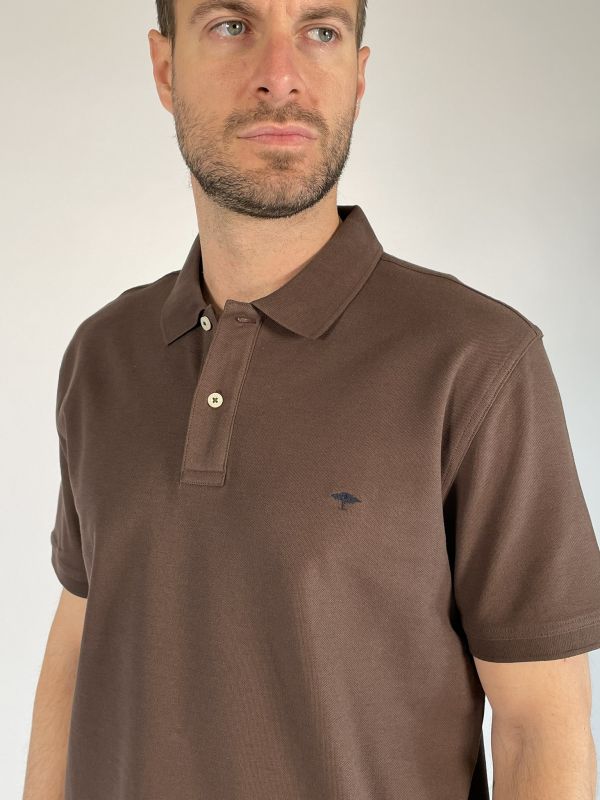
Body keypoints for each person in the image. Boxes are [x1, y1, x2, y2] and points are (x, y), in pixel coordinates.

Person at [23, 1, 600, 798]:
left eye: (320, 31)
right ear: (165, 68)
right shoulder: (103, 355)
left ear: (358, 76)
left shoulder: (478, 362)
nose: (280, 77)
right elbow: (80, 635)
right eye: (231, 26)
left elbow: (540, 728)